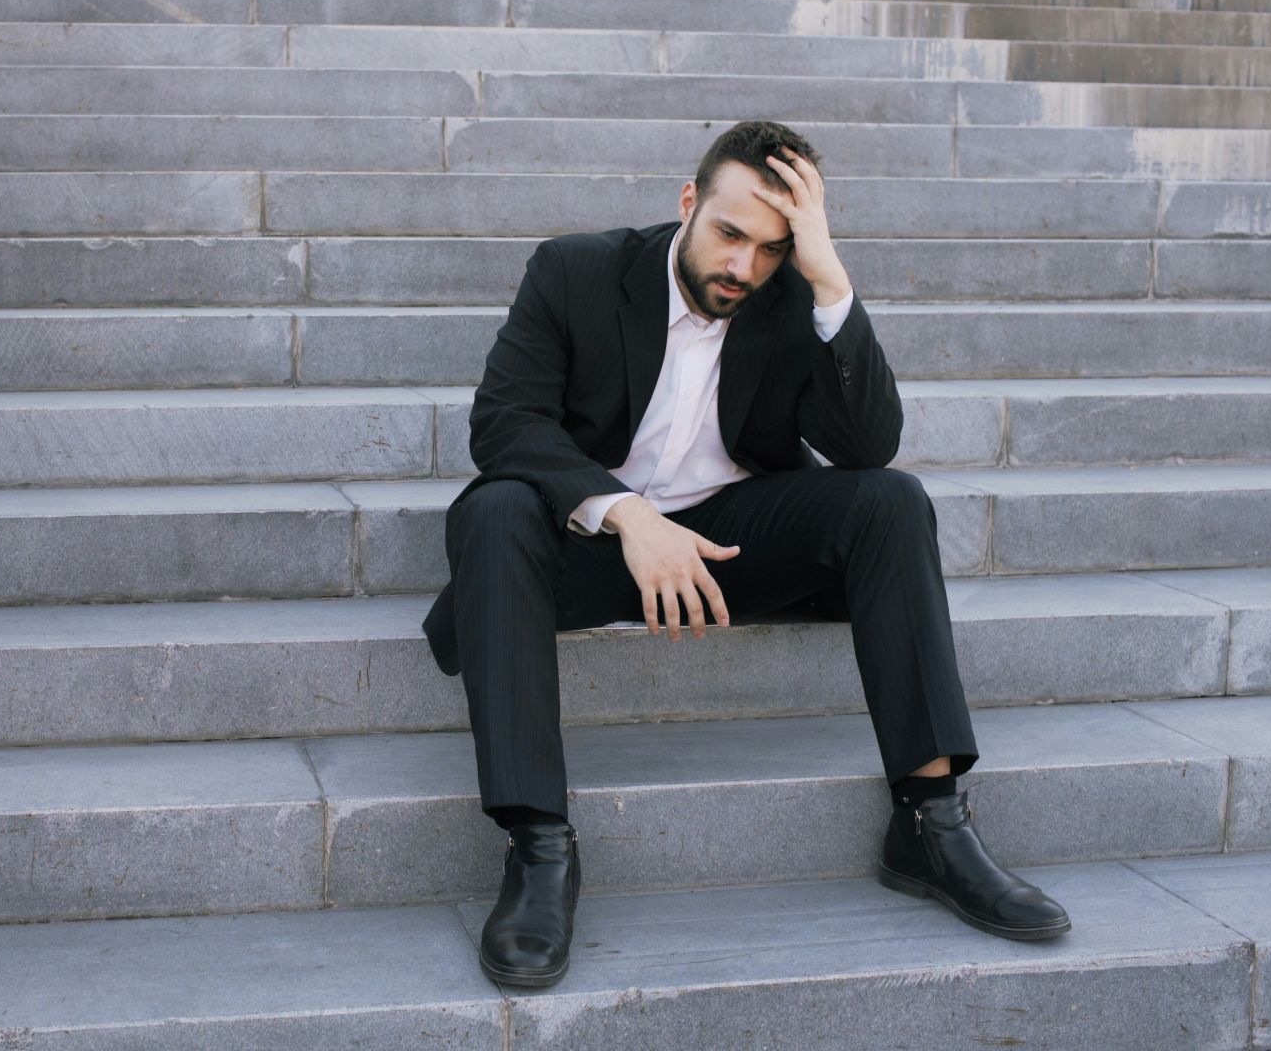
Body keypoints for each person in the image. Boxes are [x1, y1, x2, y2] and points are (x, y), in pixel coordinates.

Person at [418, 120, 1071, 988]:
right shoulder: (575, 269)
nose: (743, 268)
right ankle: (540, 852)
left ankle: (930, 823)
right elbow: (503, 425)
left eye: (771, 248)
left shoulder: (788, 294)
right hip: (582, 547)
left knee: (892, 501)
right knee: (497, 509)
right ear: (689, 203)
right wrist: (626, 516)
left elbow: (868, 445)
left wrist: (828, 277)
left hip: (726, 542)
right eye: (730, 234)